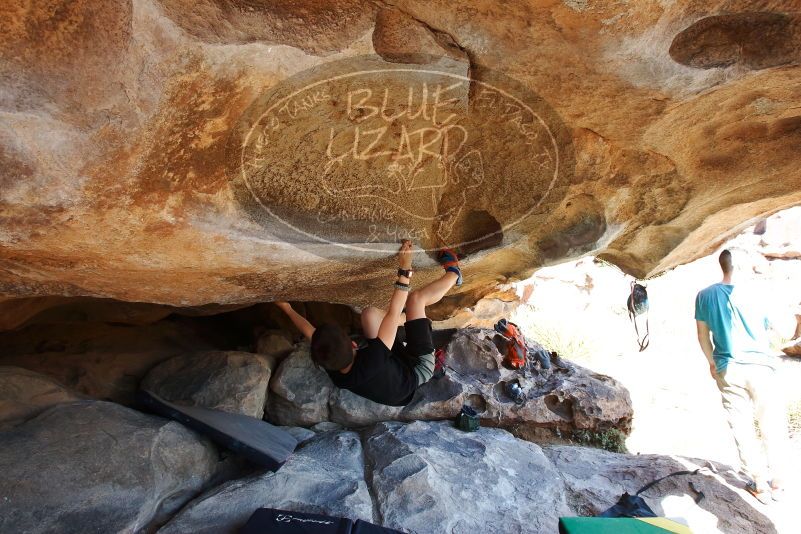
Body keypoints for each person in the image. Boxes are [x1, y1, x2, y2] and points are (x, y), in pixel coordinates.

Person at [276, 240, 462, 406]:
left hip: (392, 371)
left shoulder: (333, 365)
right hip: (417, 370)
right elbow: (393, 311)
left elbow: (308, 331)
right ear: (354, 344)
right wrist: (405, 267)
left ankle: (414, 320)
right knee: (415, 300)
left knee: (369, 315)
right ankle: (454, 273)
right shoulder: (373, 358)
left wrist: (286, 308)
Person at [695, 249, 790, 503]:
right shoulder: (761, 293)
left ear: (723, 266)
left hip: (728, 366)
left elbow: (703, 336)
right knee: (771, 423)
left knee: (741, 425)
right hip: (762, 367)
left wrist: (711, 362)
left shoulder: (704, 295)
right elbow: (785, 329)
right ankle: (778, 481)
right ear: (745, 266)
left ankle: (758, 483)